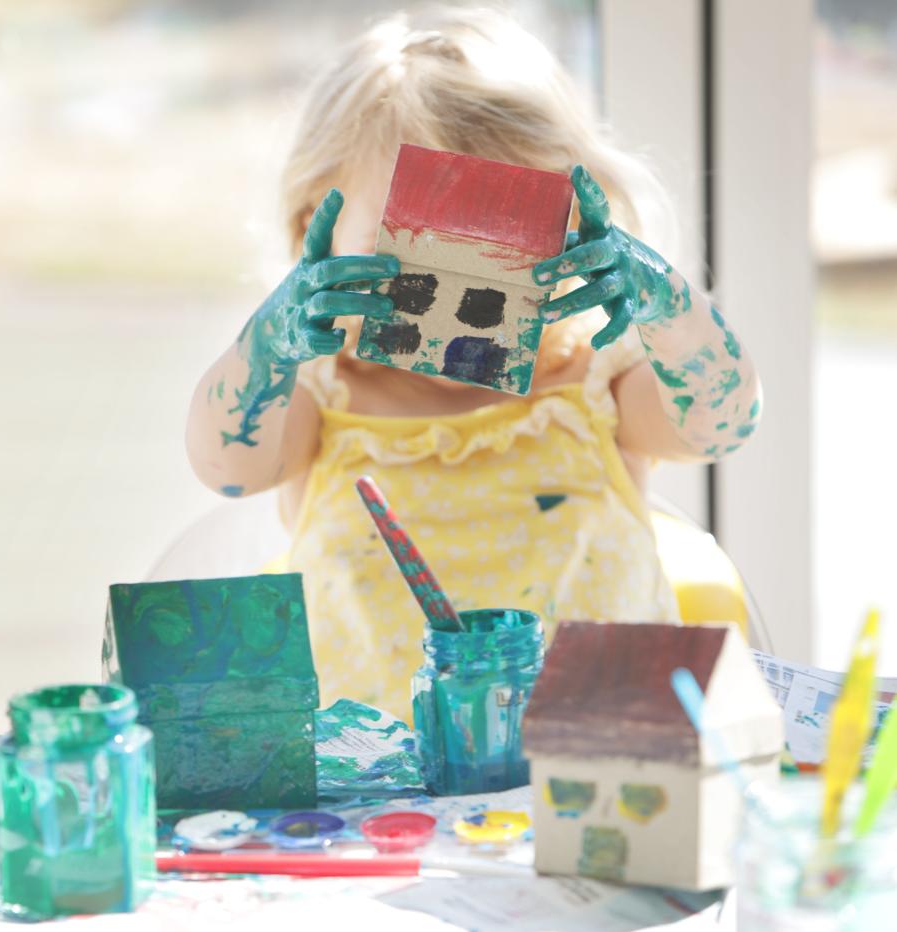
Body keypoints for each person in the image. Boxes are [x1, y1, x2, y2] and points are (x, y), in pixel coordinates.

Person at [184, 7, 761, 718]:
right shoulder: (318, 397)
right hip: (380, 816)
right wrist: (269, 344)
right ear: (317, 231)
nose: (459, 275)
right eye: (413, 234)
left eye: (503, 232)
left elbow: (722, 425)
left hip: (591, 797)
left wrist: (665, 304)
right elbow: (226, 470)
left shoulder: (592, 383)